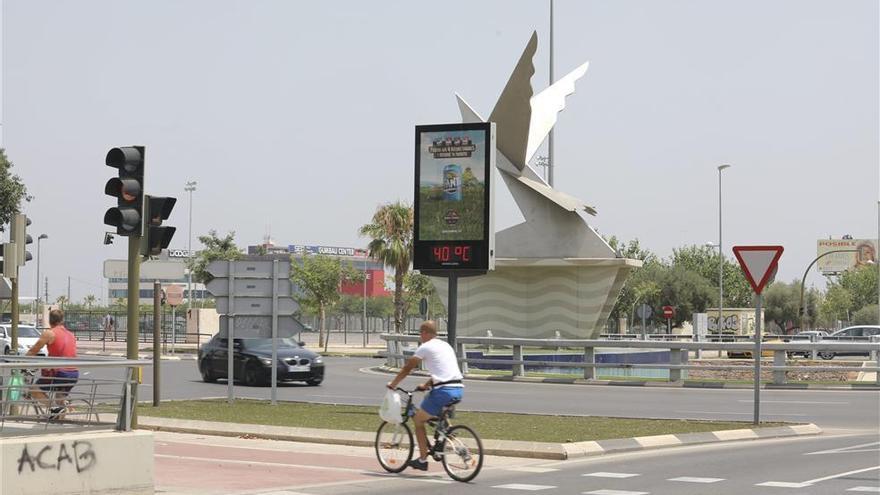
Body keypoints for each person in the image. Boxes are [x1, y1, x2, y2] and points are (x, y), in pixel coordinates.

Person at [386, 320, 463, 471]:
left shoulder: (425, 347)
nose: (420, 336)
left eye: (421, 333)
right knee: (432, 403)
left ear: (425, 333)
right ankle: (445, 434)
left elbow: (408, 368)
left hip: (443, 391)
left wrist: (394, 384)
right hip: (458, 388)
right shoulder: (445, 345)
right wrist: (426, 385)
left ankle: (422, 460)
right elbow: (444, 372)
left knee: (418, 420)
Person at [27, 309, 79, 418]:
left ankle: (53, 408)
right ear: (62, 320)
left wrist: (20, 363)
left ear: (49, 320)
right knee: (59, 398)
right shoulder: (71, 334)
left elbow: (33, 351)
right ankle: (59, 419)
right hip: (73, 373)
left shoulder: (50, 333)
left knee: (34, 390)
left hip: (59, 372)